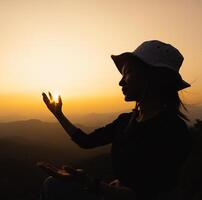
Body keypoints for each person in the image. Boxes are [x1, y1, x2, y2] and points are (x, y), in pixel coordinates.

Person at [40, 40, 193, 200]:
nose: (121, 82)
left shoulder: (172, 131)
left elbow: (147, 194)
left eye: (127, 72)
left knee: (53, 187)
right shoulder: (125, 121)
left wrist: (87, 182)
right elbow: (86, 141)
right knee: (52, 184)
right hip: (113, 192)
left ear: (152, 77)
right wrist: (58, 114)